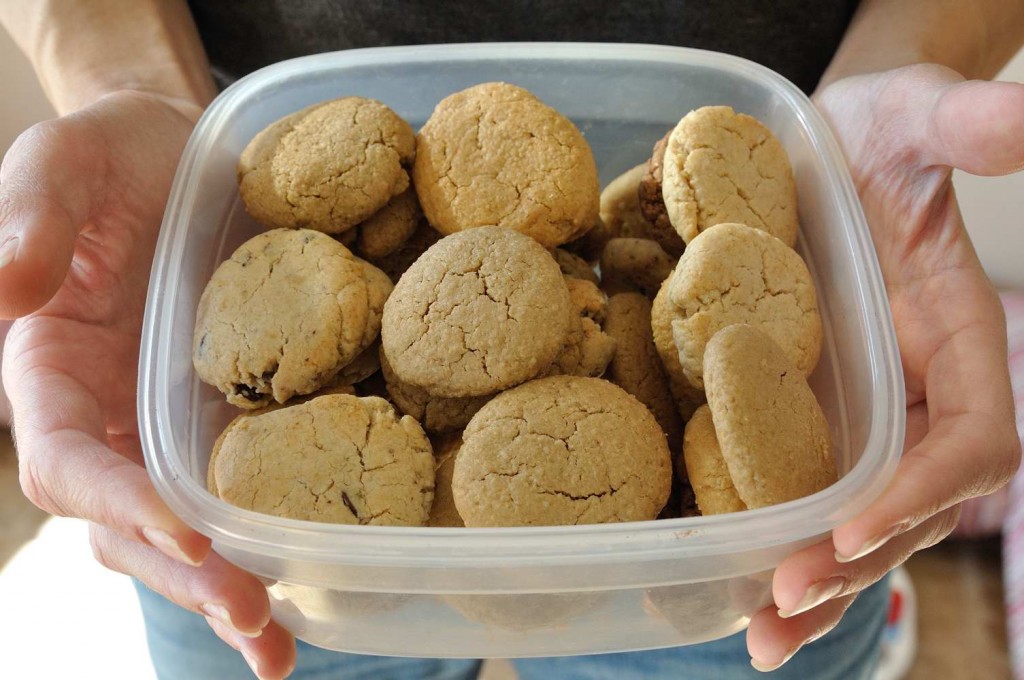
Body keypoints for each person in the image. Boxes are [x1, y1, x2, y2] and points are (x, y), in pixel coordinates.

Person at [1, 1, 1022, 678]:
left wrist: (900, 56)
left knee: (765, 615)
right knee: (257, 617)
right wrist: (132, 87)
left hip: (794, 205)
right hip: (238, 209)